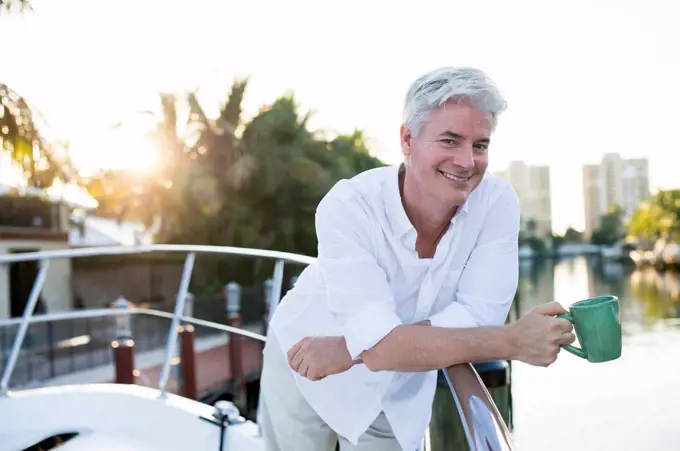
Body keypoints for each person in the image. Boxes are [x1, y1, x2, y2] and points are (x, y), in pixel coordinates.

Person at [259, 66, 576, 451]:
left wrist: (353, 348)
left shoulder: (496, 203)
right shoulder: (349, 206)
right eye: (450, 140)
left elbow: (477, 318)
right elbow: (394, 342)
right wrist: (512, 341)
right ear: (408, 139)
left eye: (480, 145)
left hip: (399, 385)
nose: (466, 161)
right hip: (306, 366)